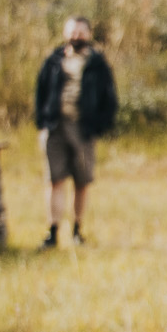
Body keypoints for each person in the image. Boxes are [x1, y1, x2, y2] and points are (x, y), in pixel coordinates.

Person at [33, 16, 116, 248]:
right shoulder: (54, 60)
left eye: (80, 32)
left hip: (83, 128)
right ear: (65, 33)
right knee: (55, 180)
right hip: (55, 127)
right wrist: (42, 121)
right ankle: (52, 232)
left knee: (82, 181)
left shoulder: (97, 63)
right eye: (72, 32)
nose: (76, 36)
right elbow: (40, 90)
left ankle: (77, 231)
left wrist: (99, 125)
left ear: (88, 34)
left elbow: (109, 96)